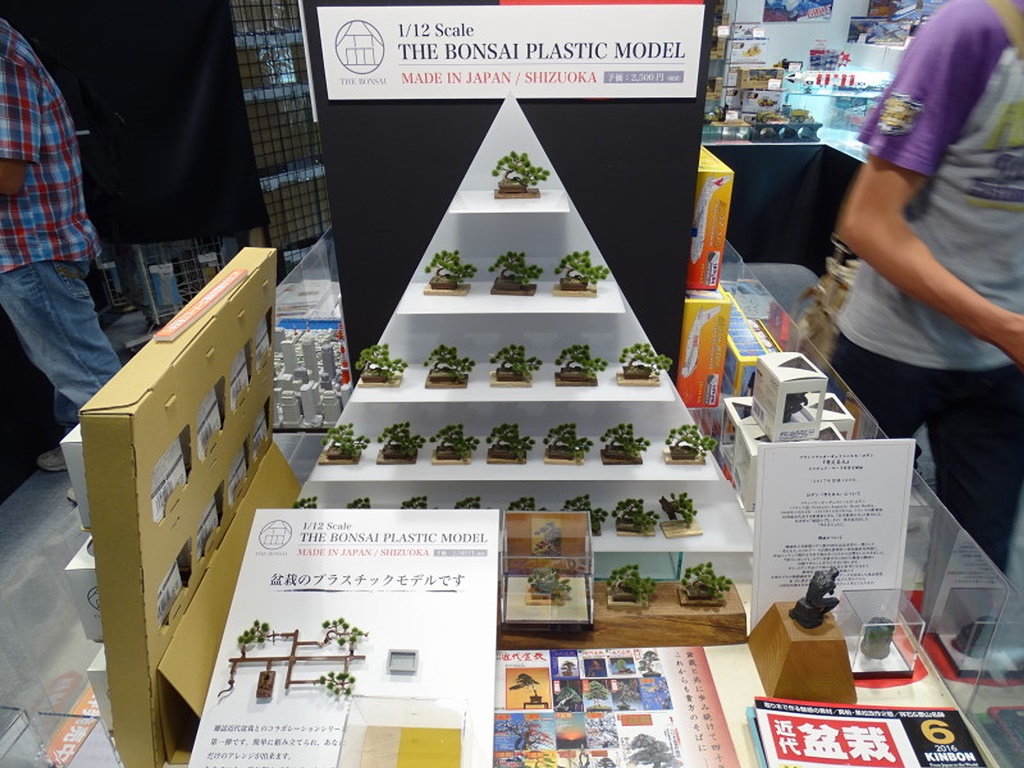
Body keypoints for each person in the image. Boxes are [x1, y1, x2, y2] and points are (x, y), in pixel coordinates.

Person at [832, 0, 1024, 571]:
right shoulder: (974, 30)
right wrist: (1003, 327)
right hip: (893, 349)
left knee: (976, 570)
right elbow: (868, 221)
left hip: (1001, 365)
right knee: (835, 542)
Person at [0, 17, 121, 473]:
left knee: (88, 376)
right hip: (34, 246)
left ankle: (131, 481)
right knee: (65, 361)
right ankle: (85, 450)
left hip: (31, 248)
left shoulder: (2, 59)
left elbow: (7, 175)